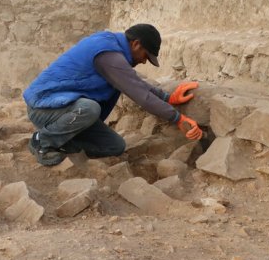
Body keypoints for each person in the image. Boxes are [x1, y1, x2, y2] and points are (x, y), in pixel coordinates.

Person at [23, 23, 203, 166]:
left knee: (115, 146)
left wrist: (167, 98)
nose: (143, 61)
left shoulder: (114, 49)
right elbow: (140, 95)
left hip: (67, 110)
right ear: (136, 44)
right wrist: (178, 119)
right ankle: (42, 140)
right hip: (44, 108)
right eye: (145, 56)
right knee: (89, 108)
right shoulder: (108, 54)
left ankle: (62, 141)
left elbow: (135, 82)